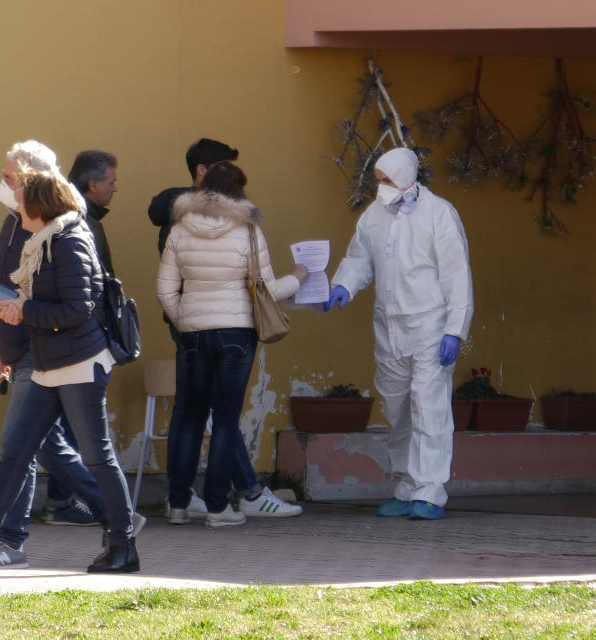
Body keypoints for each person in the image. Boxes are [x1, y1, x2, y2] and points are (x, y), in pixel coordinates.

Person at [0, 157, 140, 573]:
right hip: (46, 363)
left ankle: (123, 545)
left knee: (97, 457)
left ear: (42, 207)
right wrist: (18, 316)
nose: (16, 214)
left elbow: (79, 308)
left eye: (22, 207)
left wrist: (25, 311)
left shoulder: (71, 239)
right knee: (16, 452)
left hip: (80, 362)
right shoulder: (41, 239)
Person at [0, 141, 110, 567]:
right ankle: (115, 516)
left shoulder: (64, 229)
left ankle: (7, 539)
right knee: (39, 445)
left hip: (52, 347)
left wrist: (14, 344)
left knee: (25, 446)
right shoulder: (15, 222)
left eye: (10, 177)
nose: (3, 183)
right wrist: (3, 349)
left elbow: (71, 299)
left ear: (34, 181)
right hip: (28, 344)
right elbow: (4, 290)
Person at [149, 139, 301, 521]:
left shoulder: (180, 229)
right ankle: (218, 507)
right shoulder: (248, 232)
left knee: (187, 417)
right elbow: (265, 290)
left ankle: (179, 504)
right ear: (238, 192)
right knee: (226, 420)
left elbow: (165, 289)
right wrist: (298, 279)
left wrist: (184, 319)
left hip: (193, 335)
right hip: (236, 335)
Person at [324, 147, 474, 521]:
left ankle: (430, 492)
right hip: (389, 325)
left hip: (430, 325)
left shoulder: (439, 213)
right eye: (378, 180)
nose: (382, 187)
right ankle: (406, 486)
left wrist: (455, 329)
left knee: (429, 407)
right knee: (398, 409)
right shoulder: (373, 217)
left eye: (387, 180)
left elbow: (457, 274)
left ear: (407, 177)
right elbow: (359, 258)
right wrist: (343, 285)